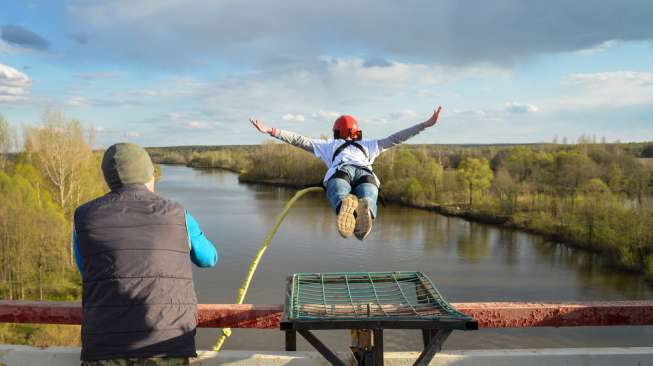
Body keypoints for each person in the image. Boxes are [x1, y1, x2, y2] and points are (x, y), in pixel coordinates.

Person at [72, 142, 218, 366]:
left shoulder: (84, 217)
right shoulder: (178, 213)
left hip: (104, 348)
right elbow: (208, 259)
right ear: (150, 174)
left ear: (109, 178)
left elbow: (88, 269)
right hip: (168, 344)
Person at [249, 106, 442, 240]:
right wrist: (424, 125)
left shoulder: (329, 145)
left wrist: (270, 130)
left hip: (340, 171)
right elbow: (396, 138)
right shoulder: (370, 144)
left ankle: (344, 205)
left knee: (337, 192)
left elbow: (298, 139)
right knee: (369, 196)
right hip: (366, 175)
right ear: (356, 132)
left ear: (336, 132)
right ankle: (366, 210)